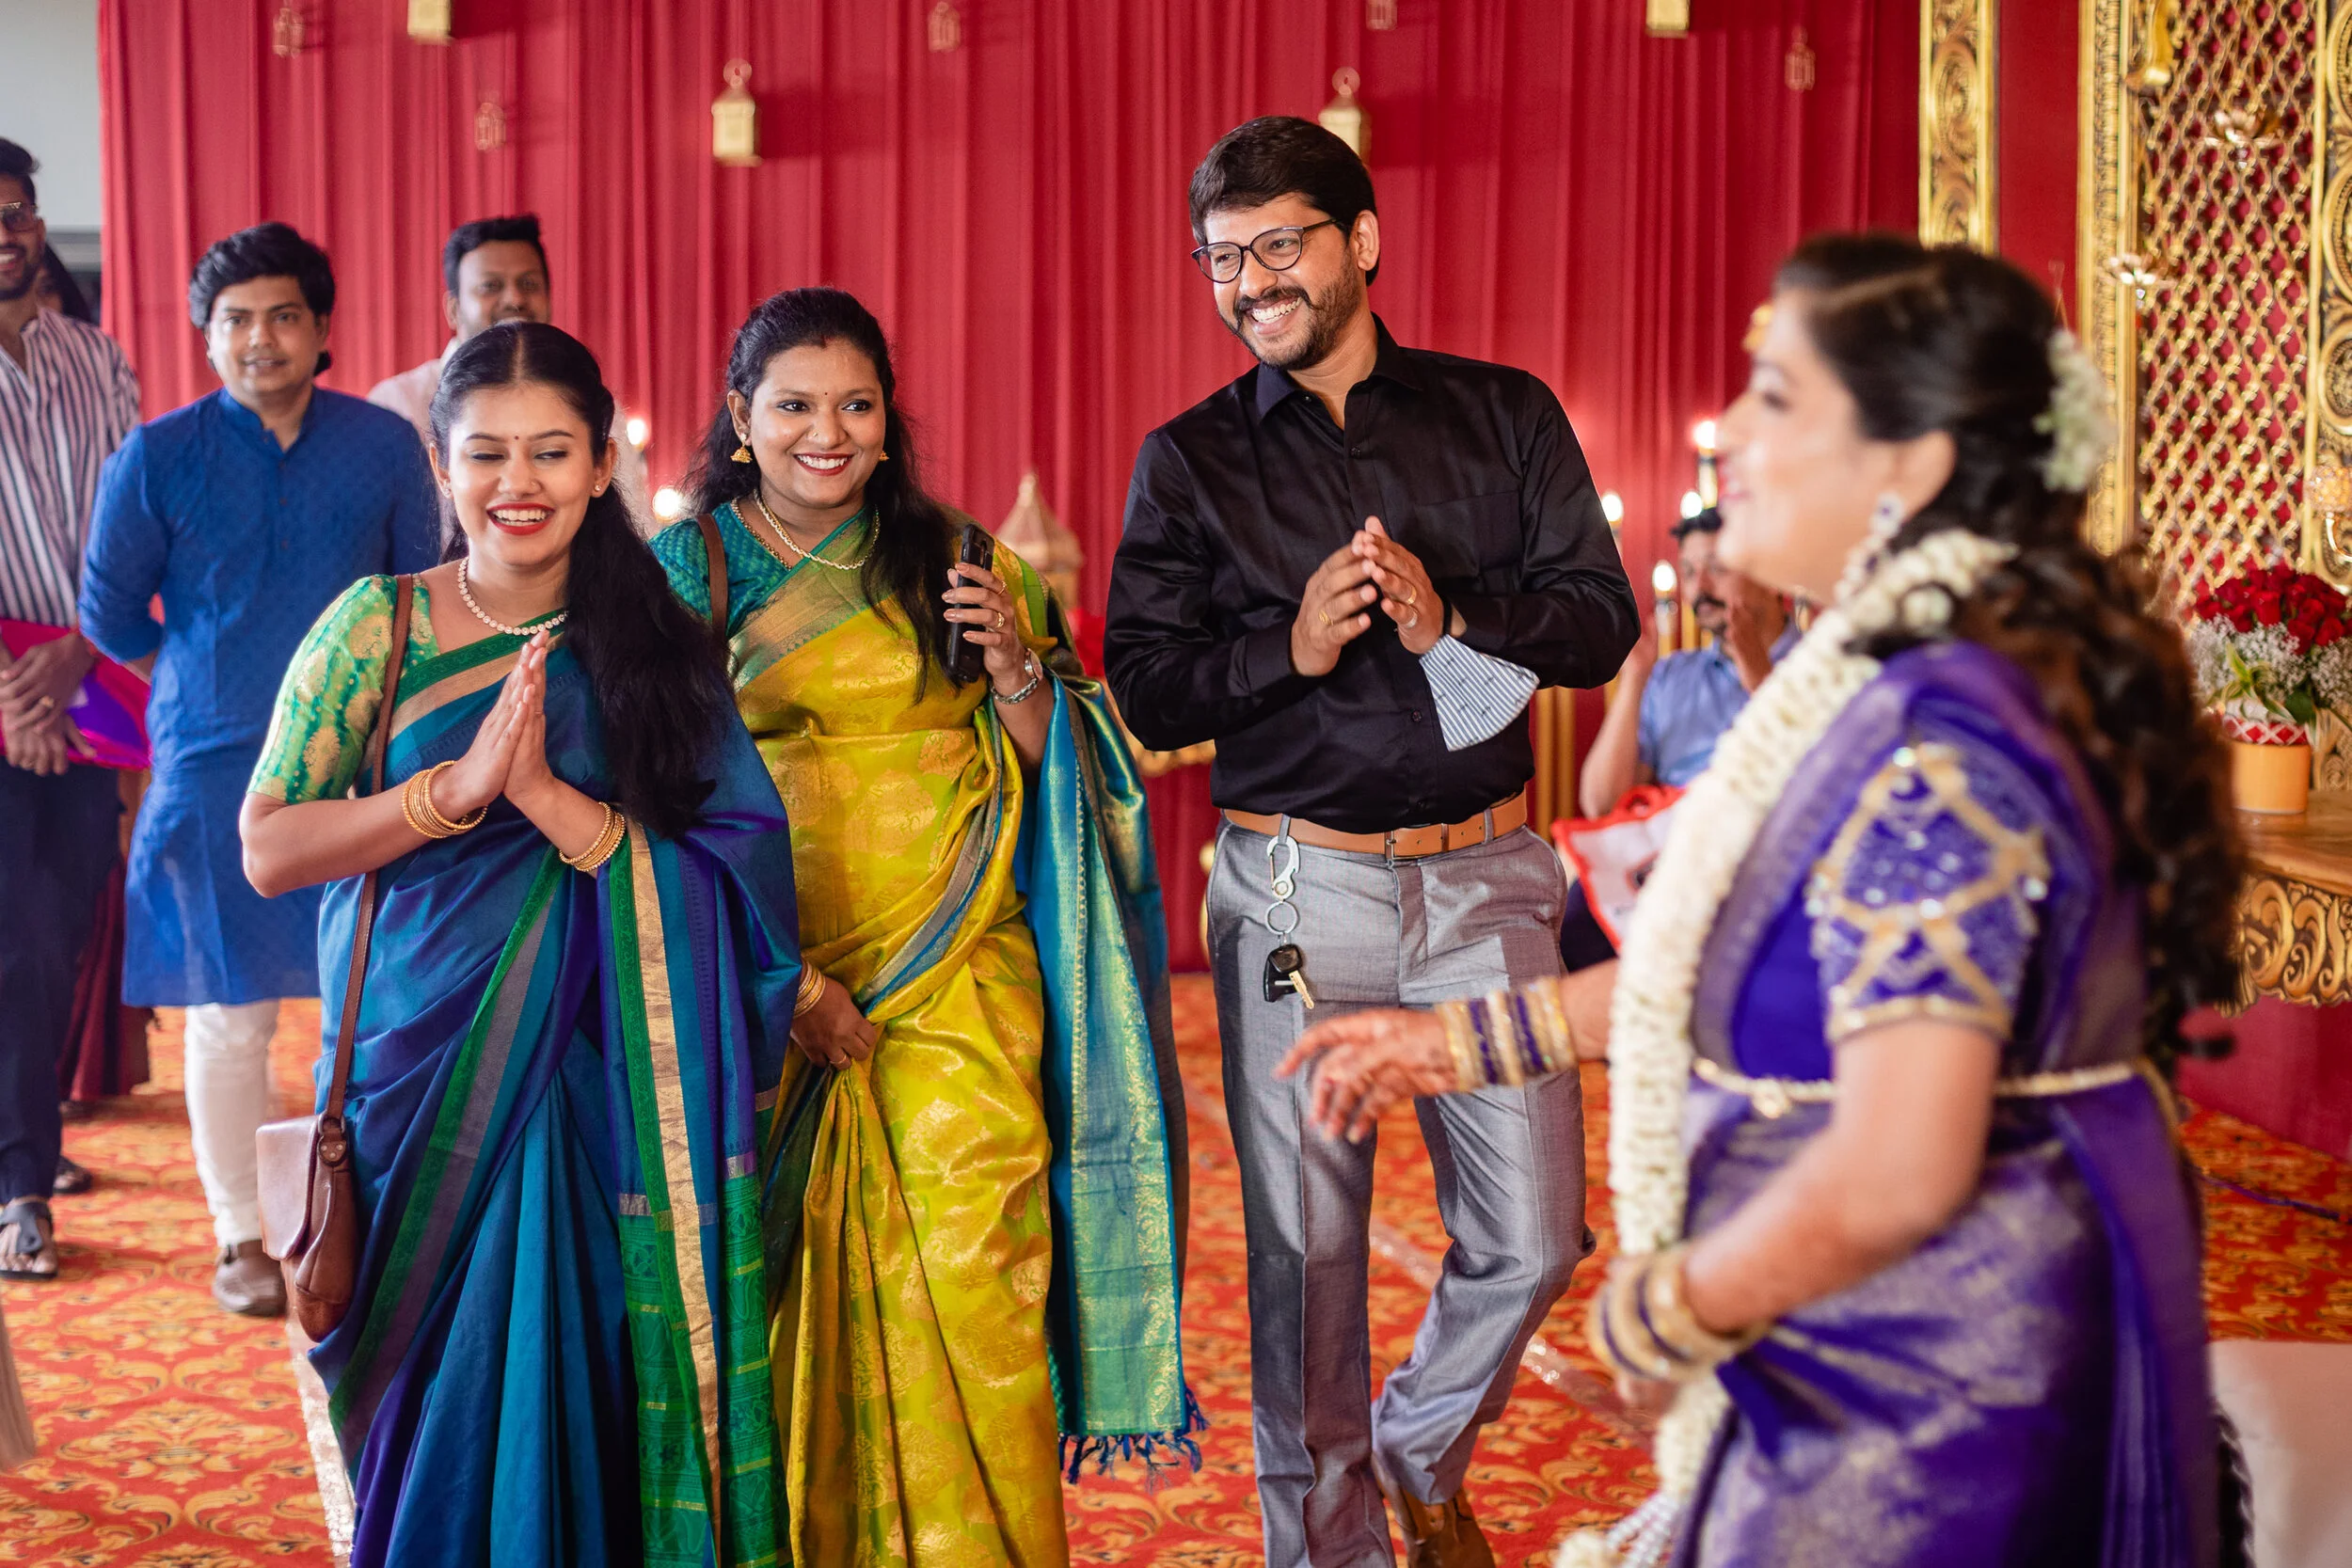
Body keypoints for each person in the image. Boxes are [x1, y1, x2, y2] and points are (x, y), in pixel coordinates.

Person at [1279, 235, 2236, 1568]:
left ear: (1911, 461)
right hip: (1907, 1328)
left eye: (1776, 394)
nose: (1726, 430)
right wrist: (1458, 1043)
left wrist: (1669, 1307)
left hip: (1936, 1373)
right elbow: (1729, 965)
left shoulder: (1940, 734)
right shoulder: (1896, 674)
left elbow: (1903, 1158)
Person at [1103, 117, 1640, 1567]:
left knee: (1535, 1238)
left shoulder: (1505, 413)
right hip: (1289, 892)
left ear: (1364, 242)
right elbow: (1145, 680)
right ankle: (1323, 1550)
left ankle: (1417, 1443)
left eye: (1280, 244)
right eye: (1223, 258)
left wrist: (1452, 623)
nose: (1250, 281)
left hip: (1484, 881)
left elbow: (1602, 620)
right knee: (1305, 1262)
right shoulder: (1190, 462)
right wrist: (1286, 644)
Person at [241, 321, 803, 1567]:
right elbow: (269, 844)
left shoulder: (657, 648)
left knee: (592, 1392)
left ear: (602, 463)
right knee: (432, 1415)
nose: (520, 481)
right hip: (415, 1089)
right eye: (487, 451)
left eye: (552, 450)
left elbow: (740, 876)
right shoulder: (375, 628)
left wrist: (552, 801)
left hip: (609, 1096)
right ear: (440, 467)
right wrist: (456, 787)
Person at [653, 286, 1195, 1567]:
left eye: (855, 404)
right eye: (793, 406)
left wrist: (1015, 665)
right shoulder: (694, 569)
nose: (825, 433)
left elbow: (1077, 773)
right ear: (742, 418)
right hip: (769, 1001)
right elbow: (657, 796)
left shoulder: (962, 557)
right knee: (780, 1311)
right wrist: (783, 985)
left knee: (978, 1286)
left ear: (891, 418)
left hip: (960, 989)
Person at [79, 223, 439, 1316]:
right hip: (211, 766)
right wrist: (200, 678)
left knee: (361, 997)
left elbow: (419, 586)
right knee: (227, 1013)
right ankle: (241, 1229)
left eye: (284, 315)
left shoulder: (379, 446)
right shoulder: (157, 455)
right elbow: (105, 610)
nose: (260, 338)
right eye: (235, 319)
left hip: (359, 765)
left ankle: (348, 1210)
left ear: (324, 329)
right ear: (205, 336)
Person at [0, 138, 141, 1283]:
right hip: (3, 689)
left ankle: (23, 1143)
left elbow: (127, 529)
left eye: (15, 214)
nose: (3, 233)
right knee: (10, 943)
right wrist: (10, 687)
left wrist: (75, 656)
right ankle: (21, 1186)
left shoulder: (100, 362)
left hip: (87, 688)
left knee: (58, 934)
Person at [1557, 509, 1794, 974]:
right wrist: (1636, 678)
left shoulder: (1823, 665)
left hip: (1768, 857)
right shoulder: (1671, 676)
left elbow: (1817, 780)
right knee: (1581, 911)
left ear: (1770, 576)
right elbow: (1600, 802)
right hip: (1670, 860)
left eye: (1717, 567)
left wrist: (1756, 670)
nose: (1699, 587)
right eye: (1688, 571)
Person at [369, 214, 648, 536]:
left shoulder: (589, 400)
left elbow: (636, 526)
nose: (515, 299)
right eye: (491, 286)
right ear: (454, 309)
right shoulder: (396, 404)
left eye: (529, 285)